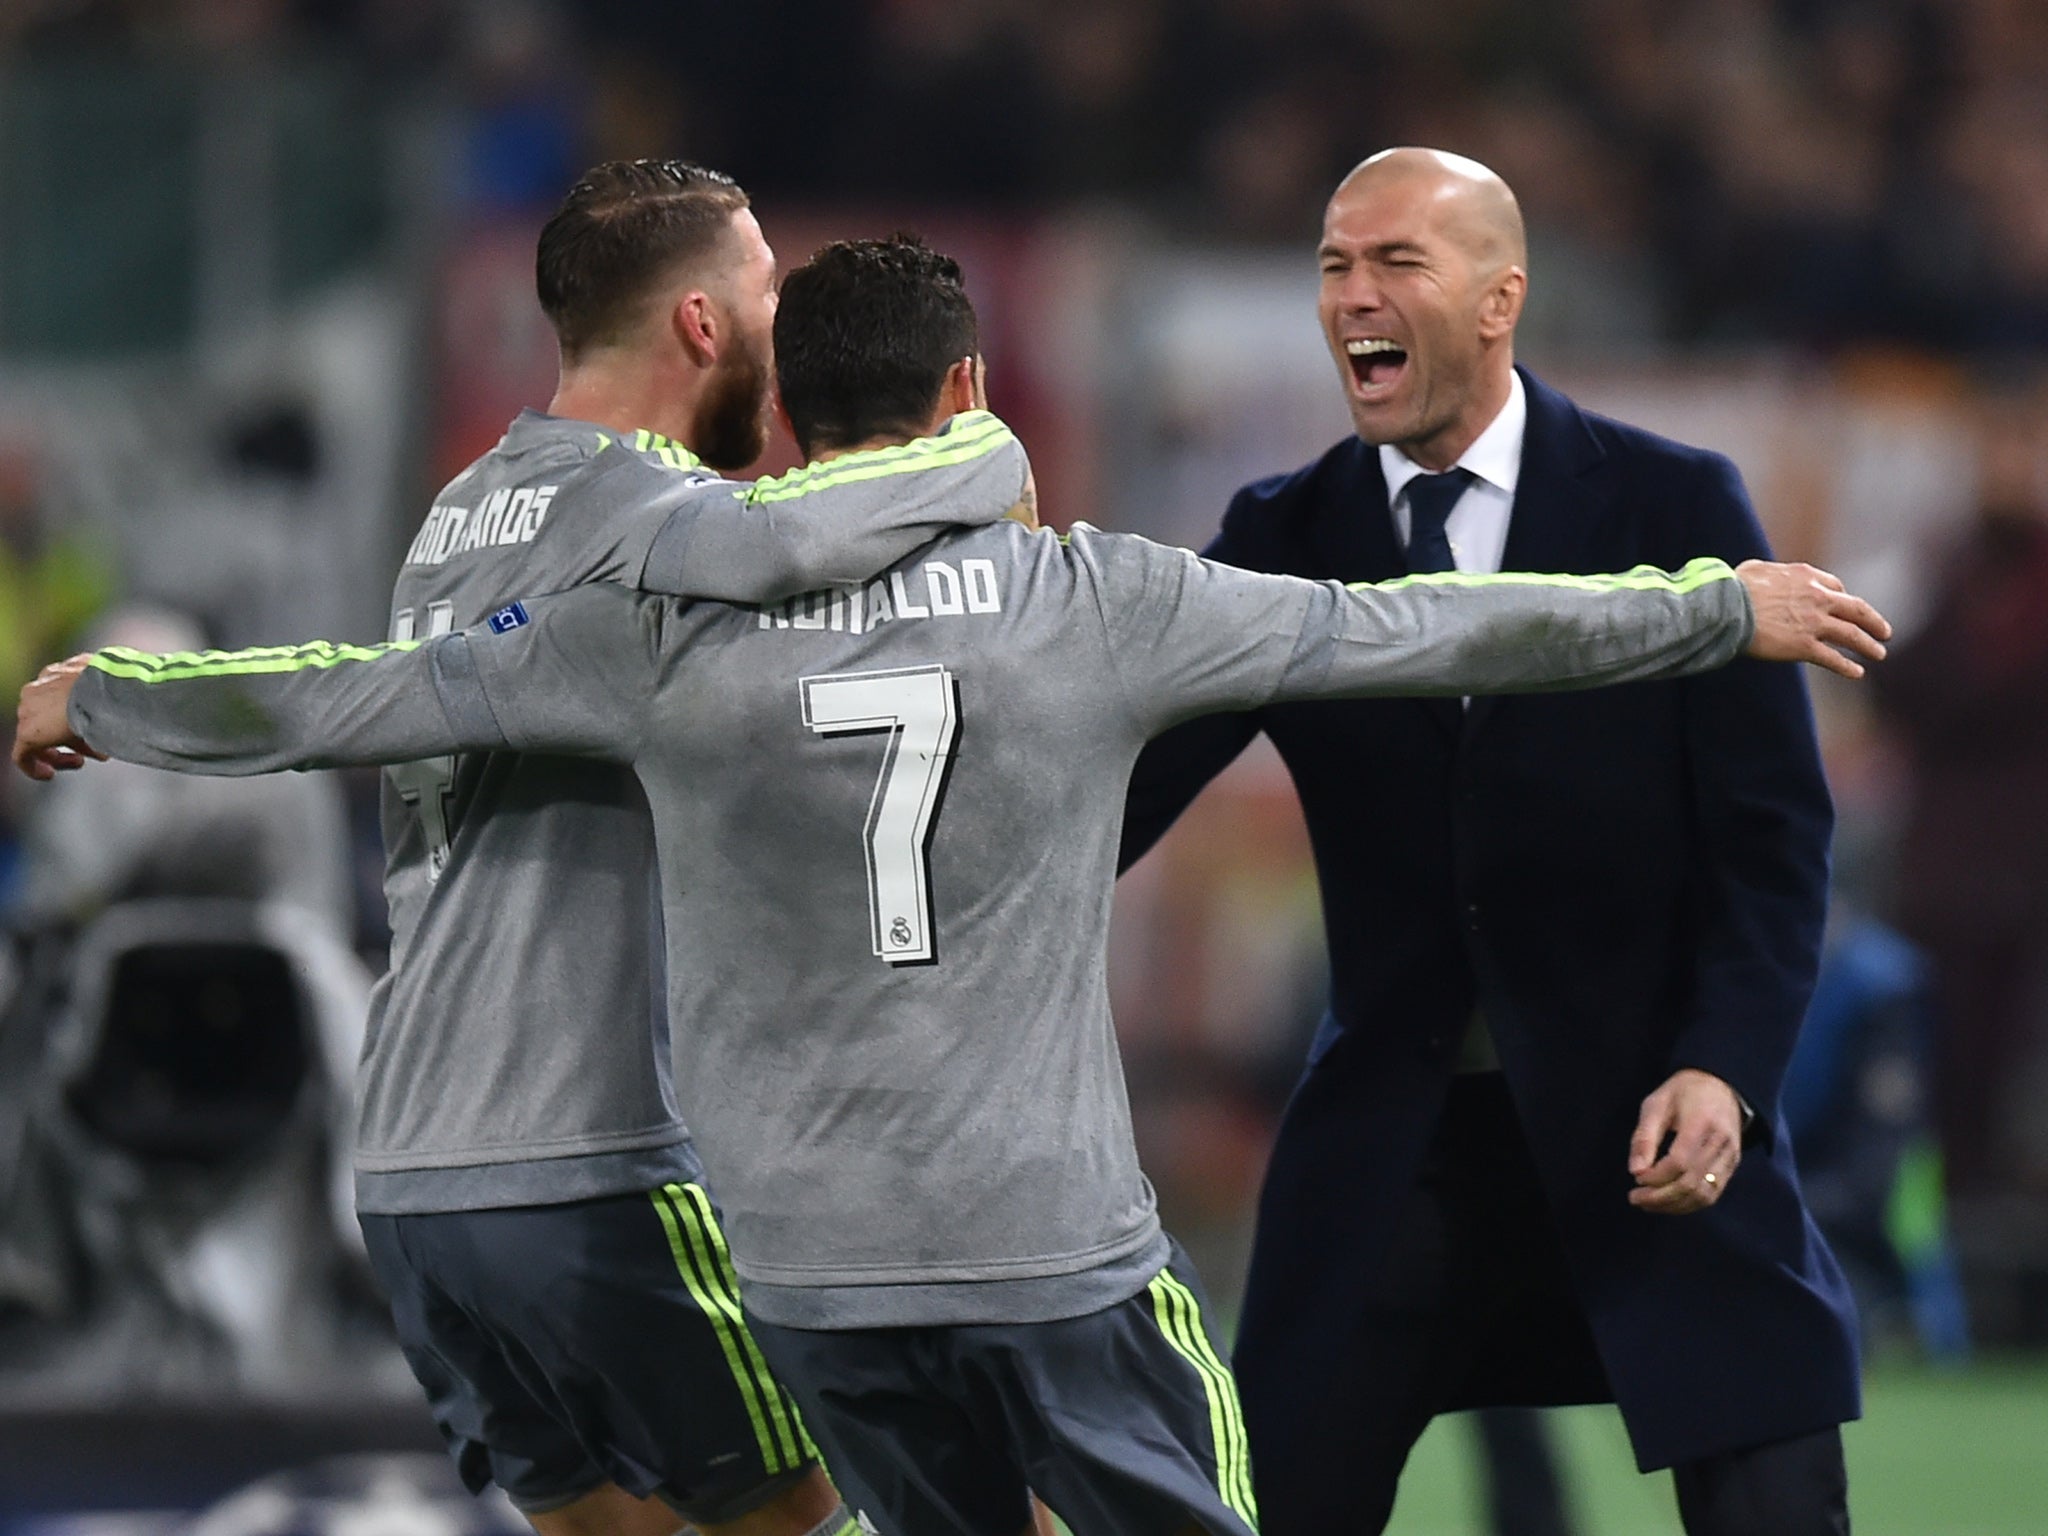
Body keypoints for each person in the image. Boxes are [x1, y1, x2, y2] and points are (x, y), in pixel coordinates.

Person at [16, 236, 1889, 1536]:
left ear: (790, 415)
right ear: (971, 391)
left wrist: (114, 696)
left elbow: (361, 692)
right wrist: (1716, 609)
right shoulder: (1099, 599)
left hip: (815, 1269)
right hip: (1050, 1249)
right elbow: (1421, 625)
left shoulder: (647, 632)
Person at [26, 162, 1031, 1536]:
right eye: (764, 300)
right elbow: (828, 540)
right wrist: (984, 449)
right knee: (921, 1490)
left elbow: (374, 688)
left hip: (419, 1193)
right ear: (696, 325)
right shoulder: (659, 525)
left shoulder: (460, 517)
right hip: (593, 1167)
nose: (782, 341)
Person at [1117, 148, 1865, 1536]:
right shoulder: (1284, 535)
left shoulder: (1676, 507)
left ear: (1500, 295)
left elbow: (1771, 844)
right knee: (1260, 1499)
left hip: (1653, 1125)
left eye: (1395, 262)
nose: (1354, 298)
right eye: (1333, 267)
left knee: (1778, 1492)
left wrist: (1726, 1071)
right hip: (1403, 1144)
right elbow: (1126, 796)